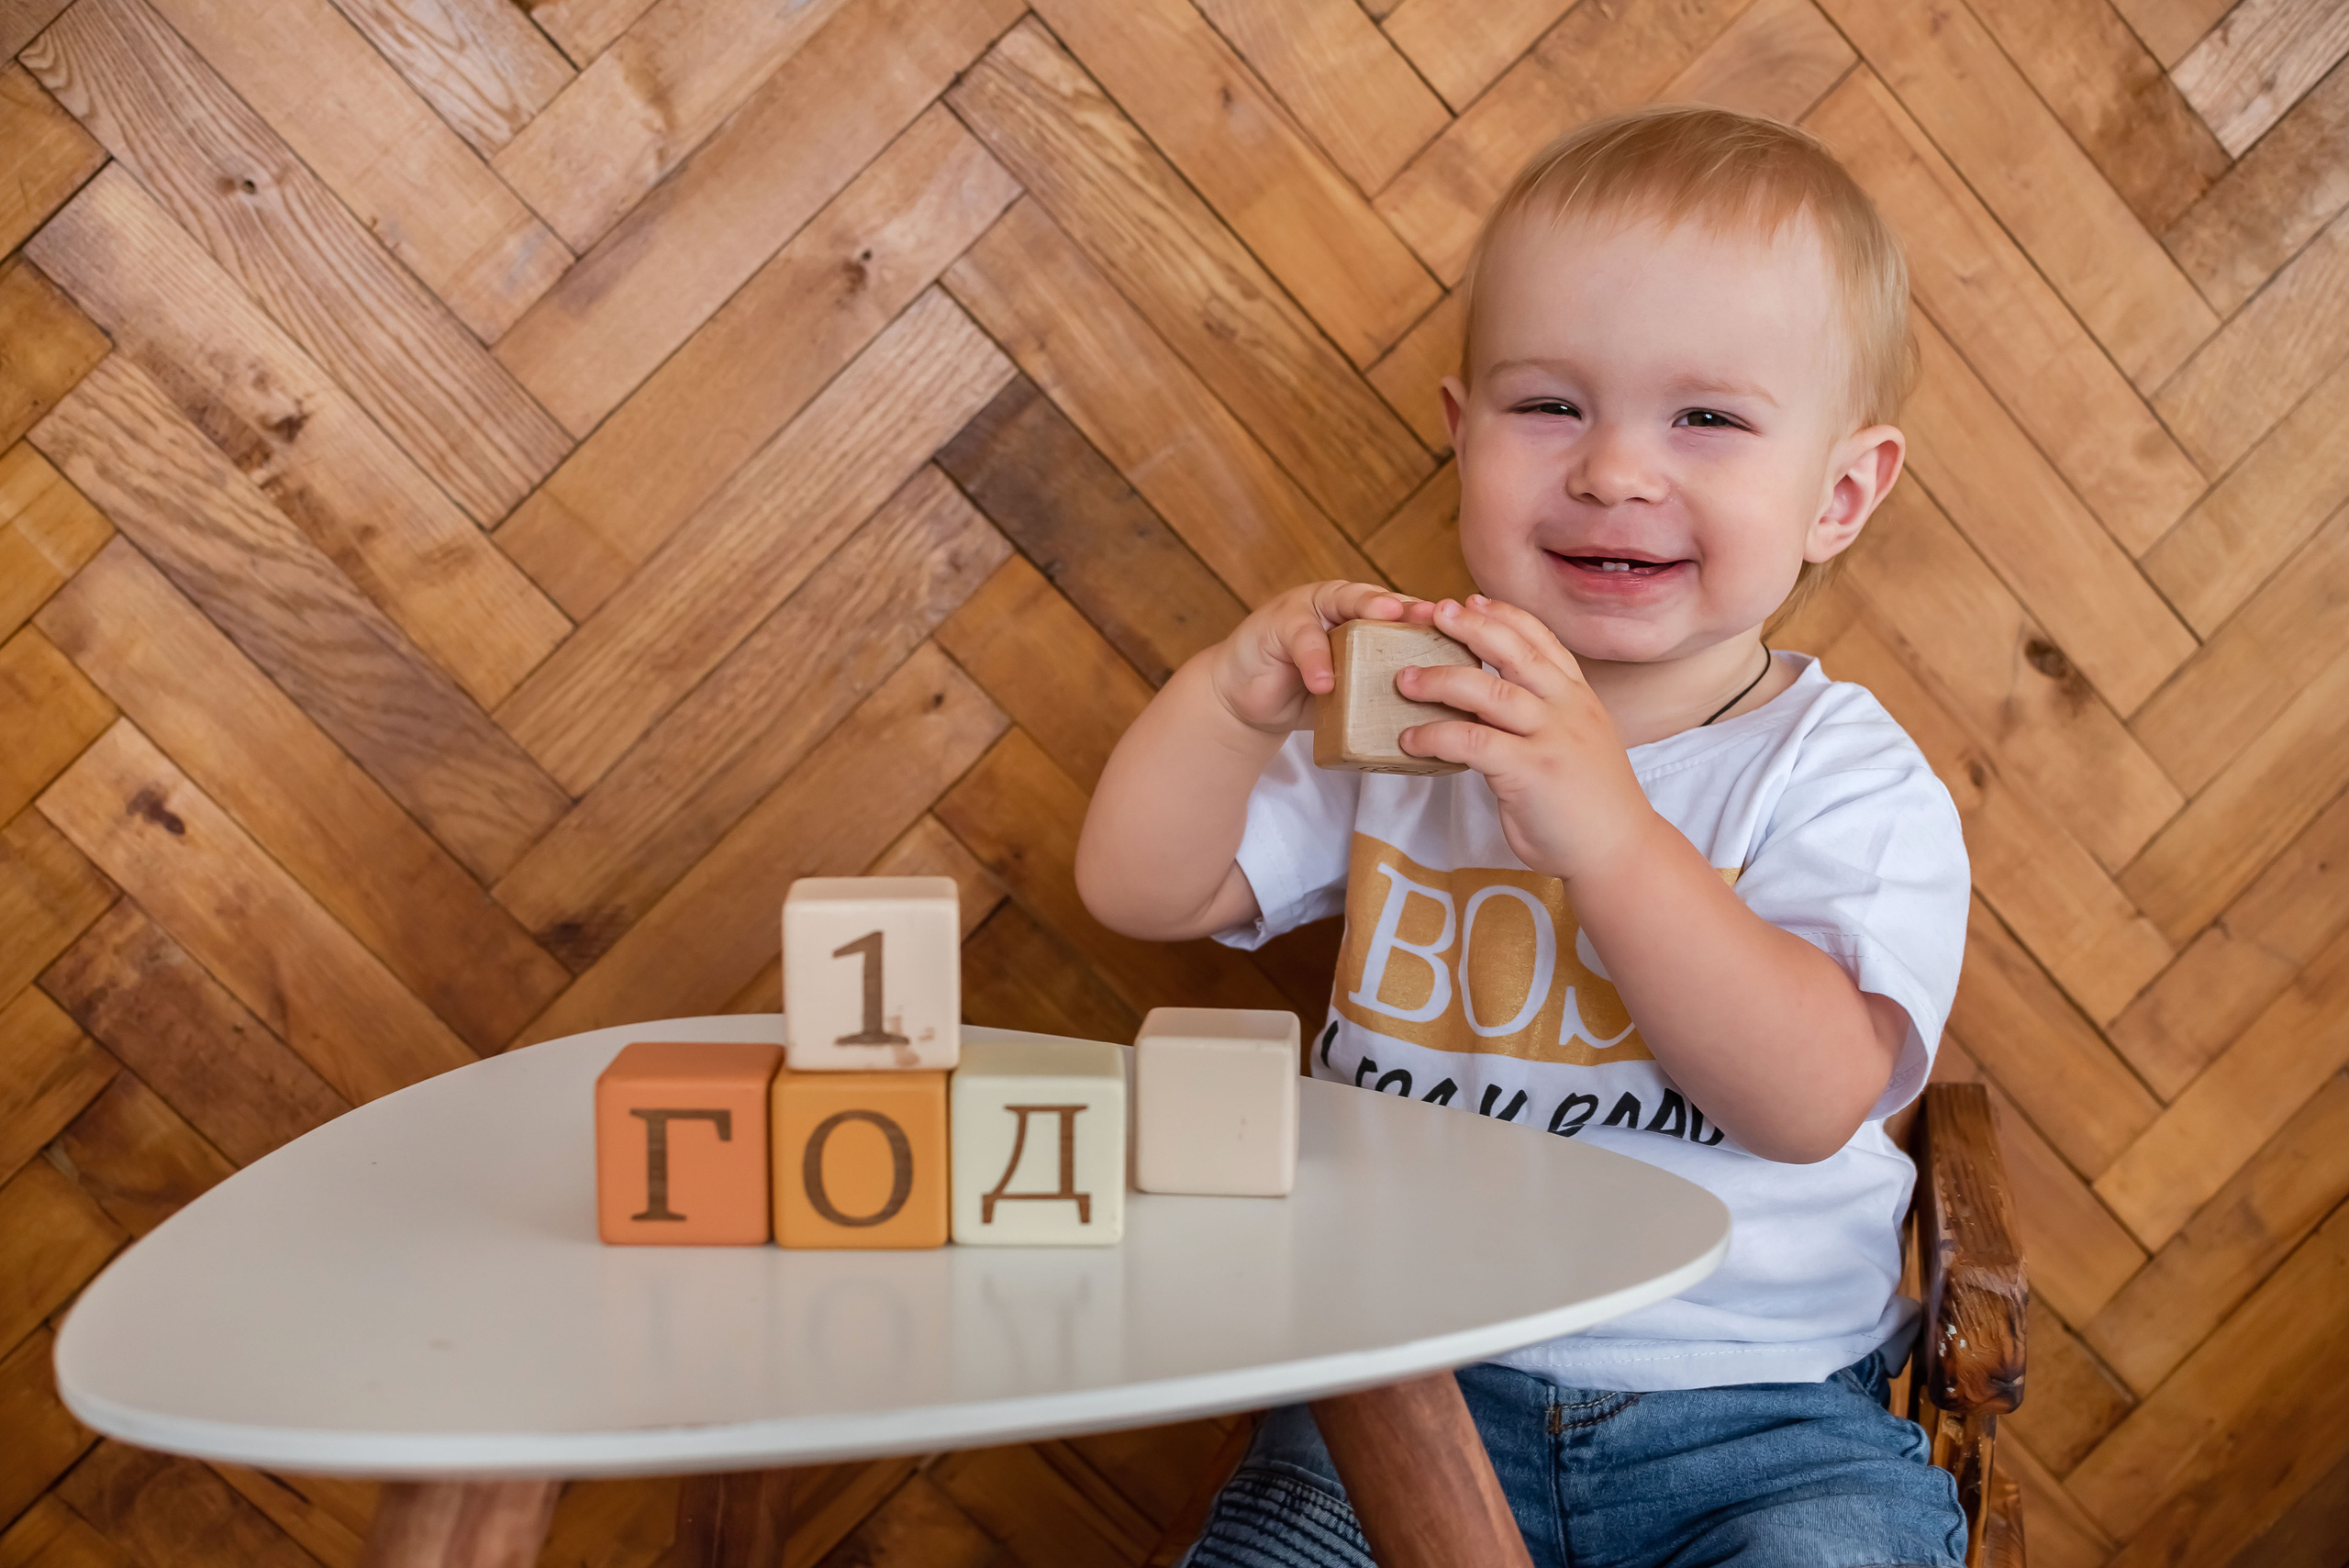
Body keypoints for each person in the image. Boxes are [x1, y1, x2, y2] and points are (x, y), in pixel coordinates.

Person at [1074, 105, 1973, 1567]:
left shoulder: (1843, 778)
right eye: (1550, 405)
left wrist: (1610, 832)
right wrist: (1228, 703)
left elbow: (1810, 1100)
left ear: (1840, 493)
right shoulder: (1416, 714)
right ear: (1462, 435)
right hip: (1399, 1387)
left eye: (1706, 419)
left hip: (1759, 1417)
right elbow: (1141, 887)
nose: (1614, 470)